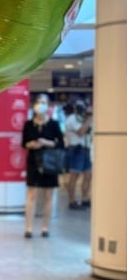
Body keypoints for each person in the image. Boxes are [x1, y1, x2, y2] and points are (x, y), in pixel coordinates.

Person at [22, 94, 64, 238]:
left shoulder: (53, 124)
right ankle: (28, 227)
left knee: (48, 195)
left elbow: (60, 143)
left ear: (49, 105)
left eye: (44, 102)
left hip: (49, 163)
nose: (41, 104)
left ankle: (45, 227)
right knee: (31, 194)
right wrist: (31, 144)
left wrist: (46, 142)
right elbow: (24, 143)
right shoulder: (28, 124)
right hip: (33, 161)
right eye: (39, 102)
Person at [64, 99, 93, 209]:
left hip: (86, 149)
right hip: (76, 149)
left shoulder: (84, 119)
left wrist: (88, 119)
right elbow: (81, 132)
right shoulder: (72, 119)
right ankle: (72, 201)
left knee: (88, 175)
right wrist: (89, 119)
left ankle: (85, 199)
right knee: (74, 176)